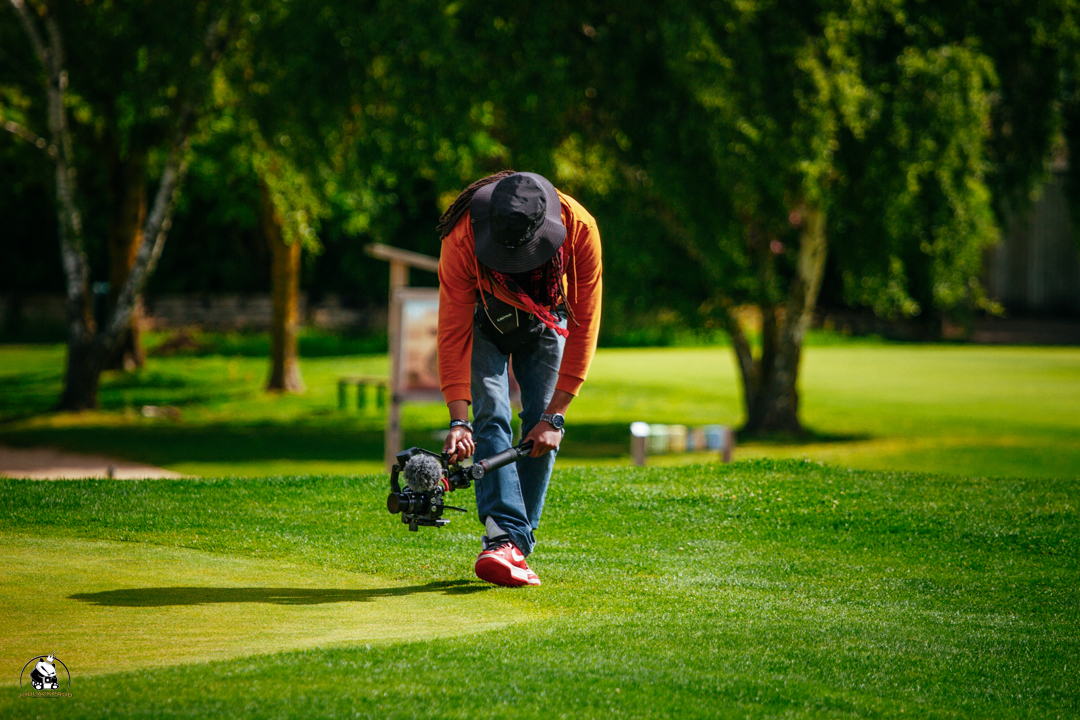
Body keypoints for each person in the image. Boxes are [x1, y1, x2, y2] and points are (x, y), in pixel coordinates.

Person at [435, 170, 602, 587]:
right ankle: (504, 539)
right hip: (484, 312)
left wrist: (557, 415)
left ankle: (511, 546)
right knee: (490, 414)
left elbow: (585, 323)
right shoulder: (461, 238)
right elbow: (452, 329)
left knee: (540, 427)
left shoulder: (579, 228)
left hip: (549, 311)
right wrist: (459, 419)